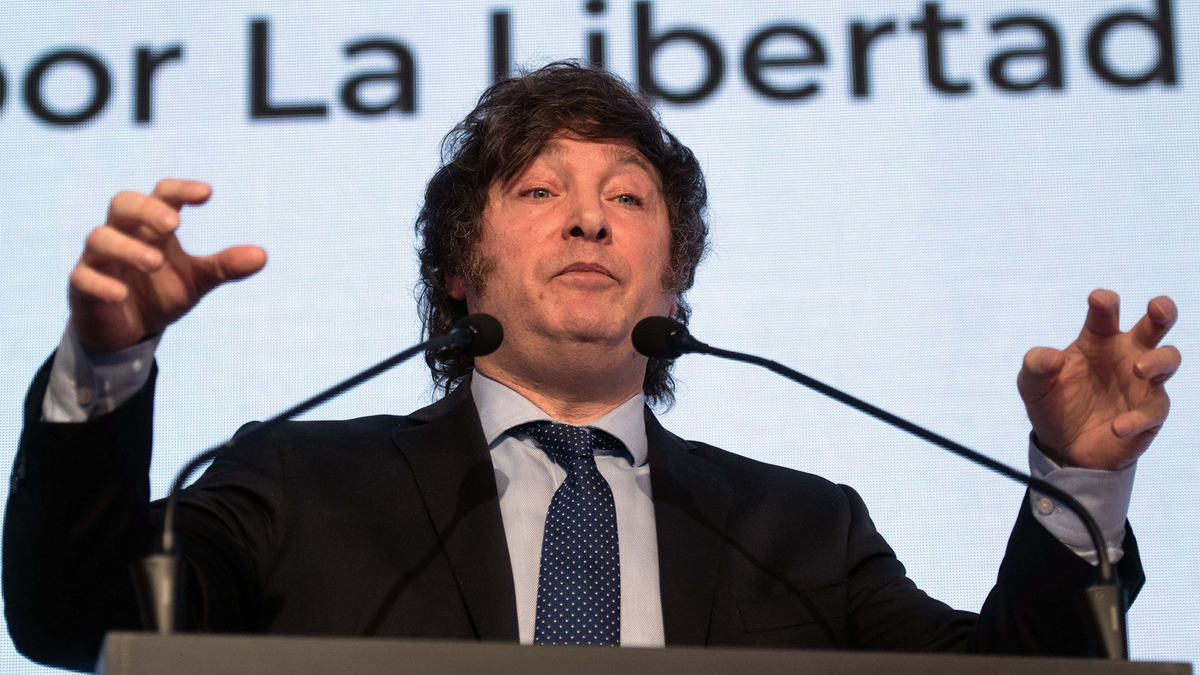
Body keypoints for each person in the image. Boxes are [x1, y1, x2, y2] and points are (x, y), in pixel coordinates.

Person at [4, 62, 1180, 671]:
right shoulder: (294, 486)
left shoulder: (800, 530)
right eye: (538, 192)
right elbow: (73, 621)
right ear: (458, 274)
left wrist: (1077, 479)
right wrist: (108, 365)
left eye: (628, 197)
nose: (588, 220)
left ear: (671, 280)